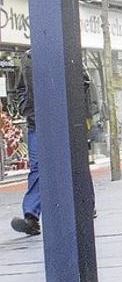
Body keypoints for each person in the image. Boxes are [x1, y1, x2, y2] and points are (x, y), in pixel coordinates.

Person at [9, 50, 93, 236]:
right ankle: (31, 216)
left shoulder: (65, 50)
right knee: (38, 168)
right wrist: (28, 109)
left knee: (72, 163)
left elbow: (84, 81)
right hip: (37, 123)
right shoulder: (28, 57)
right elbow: (20, 89)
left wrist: (66, 106)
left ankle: (86, 204)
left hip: (64, 120)